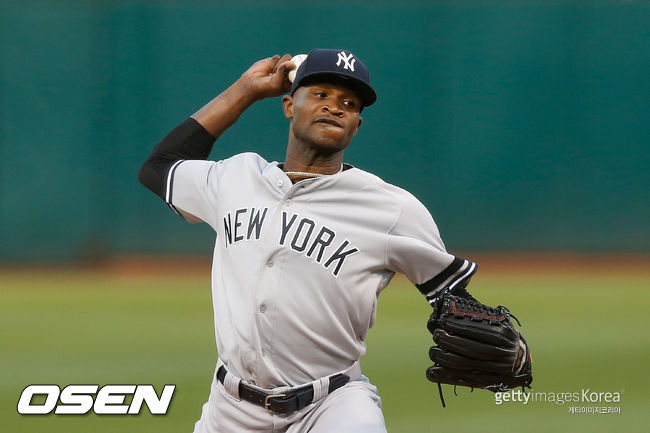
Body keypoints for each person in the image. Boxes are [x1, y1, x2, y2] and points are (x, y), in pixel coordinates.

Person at [139, 49, 478, 433]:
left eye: (348, 104)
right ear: (288, 105)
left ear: (356, 124)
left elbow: (452, 298)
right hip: (229, 410)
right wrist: (245, 91)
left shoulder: (391, 208)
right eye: (320, 95)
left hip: (333, 406)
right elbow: (159, 167)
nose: (335, 107)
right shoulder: (234, 179)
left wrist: (508, 344)